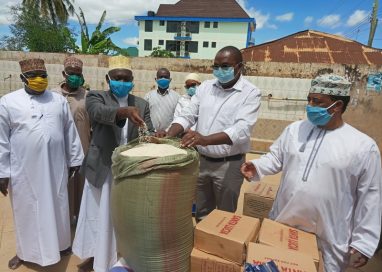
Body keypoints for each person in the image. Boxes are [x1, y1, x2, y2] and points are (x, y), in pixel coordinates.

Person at [241, 74, 382, 271]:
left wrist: (364, 243)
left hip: (329, 238)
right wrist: (257, 166)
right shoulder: (295, 130)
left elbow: (371, 197)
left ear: (337, 106)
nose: (310, 105)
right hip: (283, 226)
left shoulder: (363, 146)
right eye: (309, 99)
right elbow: (276, 157)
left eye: (317, 101)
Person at [0, 58, 84, 269]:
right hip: (24, 171)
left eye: (43, 75)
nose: (39, 80)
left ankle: (62, 244)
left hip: (56, 167)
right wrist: (2, 172)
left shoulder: (58, 101)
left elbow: (69, 131)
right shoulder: (8, 102)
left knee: (59, 205)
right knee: (26, 210)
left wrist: (75, 159)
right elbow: (1, 139)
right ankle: (24, 253)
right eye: (33, 76)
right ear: (22, 78)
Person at [72, 55, 154, 272]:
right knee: (97, 214)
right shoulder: (96, 97)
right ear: (108, 79)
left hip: (129, 170)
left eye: (127, 78)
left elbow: (149, 131)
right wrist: (123, 112)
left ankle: (121, 256)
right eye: (117, 78)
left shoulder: (142, 103)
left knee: (123, 215)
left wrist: (156, 136)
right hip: (102, 167)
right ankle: (94, 256)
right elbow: (97, 114)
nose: (122, 82)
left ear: (133, 80)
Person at [167, 46, 261, 221]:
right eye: (215, 66)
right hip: (201, 162)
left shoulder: (251, 93)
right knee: (201, 212)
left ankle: (219, 246)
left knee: (224, 218)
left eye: (225, 66)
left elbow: (242, 129)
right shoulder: (205, 87)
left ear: (239, 67)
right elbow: (188, 114)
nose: (219, 71)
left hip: (229, 164)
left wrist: (205, 140)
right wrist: (169, 133)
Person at [53, 56, 91, 224]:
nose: (75, 76)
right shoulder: (53, 96)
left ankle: (80, 218)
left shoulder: (88, 96)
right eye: (71, 73)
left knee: (81, 185)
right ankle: (63, 220)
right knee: (61, 185)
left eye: (78, 73)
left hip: (83, 149)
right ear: (64, 73)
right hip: (59, 150)